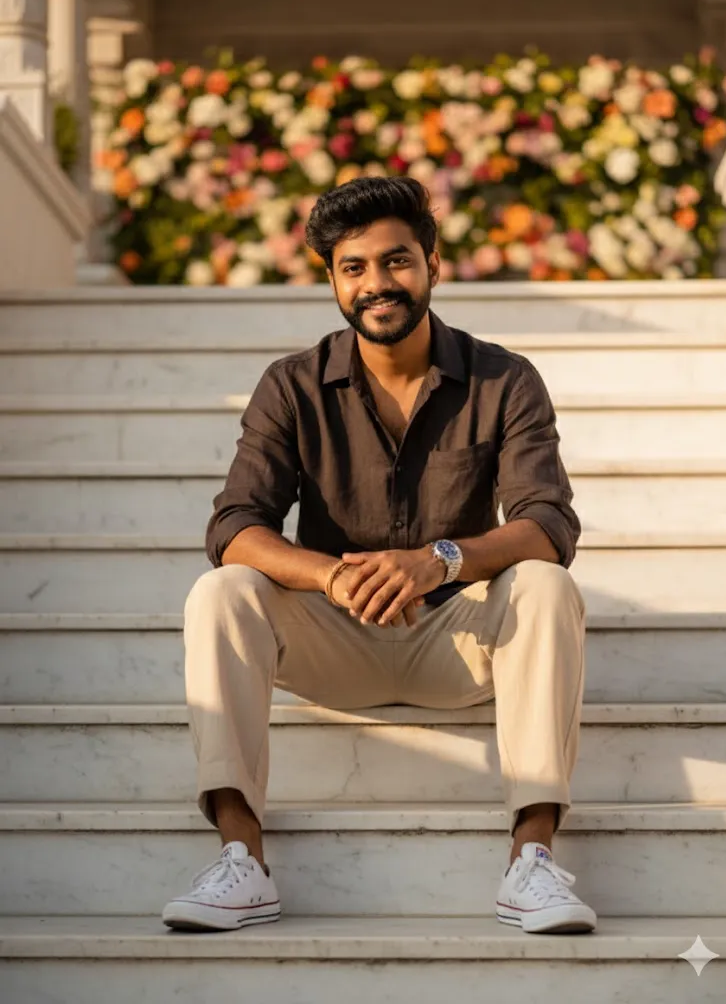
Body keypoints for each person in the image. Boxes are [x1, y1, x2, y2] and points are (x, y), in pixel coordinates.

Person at [162, 176, 596, 935]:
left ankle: (531, 861)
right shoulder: (290, 386)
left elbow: (547, 523)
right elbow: (235, 525)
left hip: (455, 643)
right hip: (334, 640)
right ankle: (241, 860)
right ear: (331, 280)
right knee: (222, 591)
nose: (376, 284)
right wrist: (330, 575)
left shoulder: (503, 378)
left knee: (543, 586)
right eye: (353, 267)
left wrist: (440, 560)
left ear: (432, 263)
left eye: (395, 262)